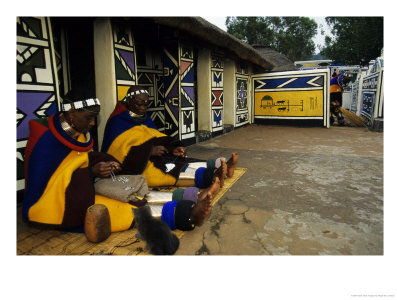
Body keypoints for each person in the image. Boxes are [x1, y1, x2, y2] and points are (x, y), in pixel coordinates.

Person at [23, 88, 220, 243]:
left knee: (137, 189)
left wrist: (102, 163)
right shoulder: (45, 141)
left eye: (95, 118)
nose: (93, 123)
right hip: (61, 203)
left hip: (86, 188)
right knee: (121, 209)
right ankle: (185, 214)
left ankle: (194, 193)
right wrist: (92, 172)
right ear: (72, 113)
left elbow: (86, 157)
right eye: (89, 118)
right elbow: (50, 184)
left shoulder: (78, 131)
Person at [101, 85, 238, 190]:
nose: (143, 108)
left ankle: (219, 166)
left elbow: (154, 136)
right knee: (162, 172)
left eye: (146, 104)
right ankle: (210, 176)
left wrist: (172, 148)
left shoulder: (143, 117)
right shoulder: (117, 121)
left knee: (178, 159)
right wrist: (149, 151)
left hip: (150, 156)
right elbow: (117, 153)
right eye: (139, 104)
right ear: (129, 101)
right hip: (134, 165)